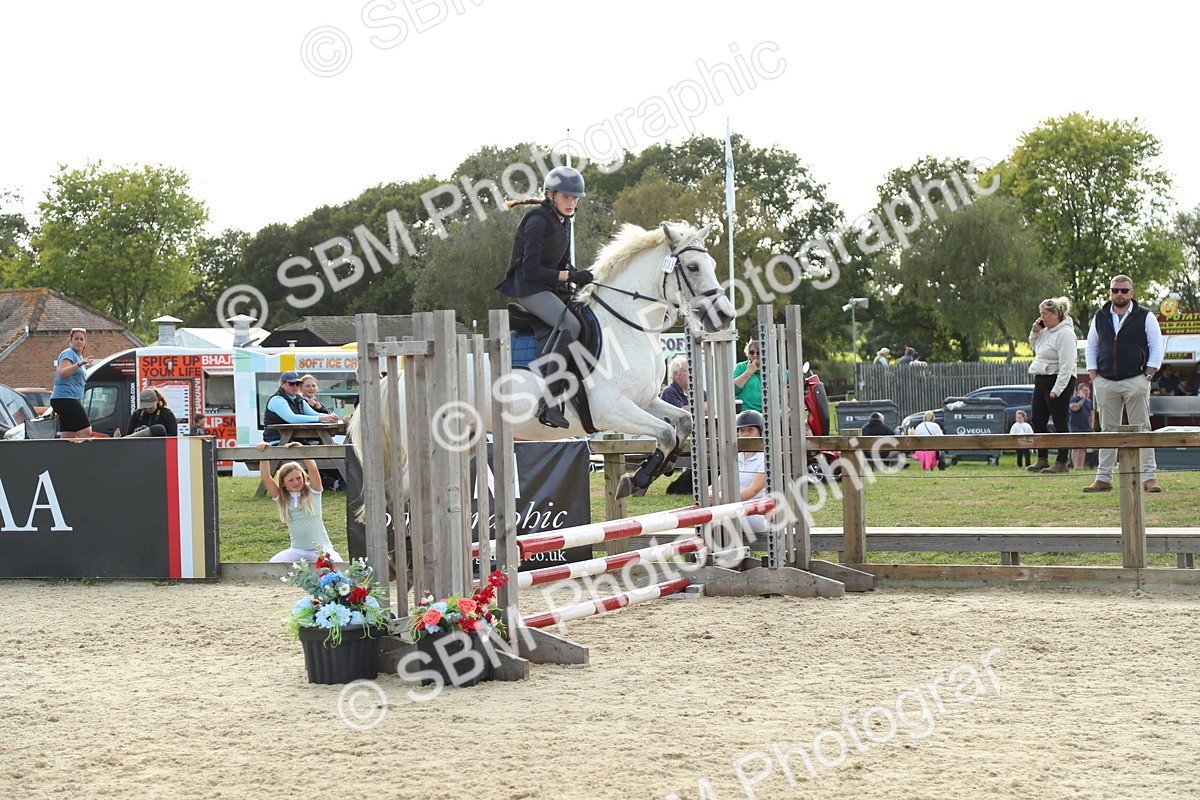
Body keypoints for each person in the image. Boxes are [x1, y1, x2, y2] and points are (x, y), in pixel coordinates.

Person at [496, 166, 593, 429]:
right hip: (529, 288)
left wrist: (580, 275)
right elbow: (531, 270)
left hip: (548, 287)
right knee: (570, 325)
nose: (572, 203)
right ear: (550, 195)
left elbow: (562, 264)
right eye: (566, 197)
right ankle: (548, 403)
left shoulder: (564, 222)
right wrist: (569, 276)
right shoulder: (537, 221)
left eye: (575, 198)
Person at [1083, 275, 1164, 493]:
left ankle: (1149, 477)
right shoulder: (1100, 316)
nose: (1119, 294)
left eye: (1124, 290)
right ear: (1110, 292)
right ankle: (1103, 478)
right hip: (1105, 381)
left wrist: (1148, 375)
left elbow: (1157, 346)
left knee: (1142, 428)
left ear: (1132, 292)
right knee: (1107, 430)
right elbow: (1092, 346)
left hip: (1136, 380)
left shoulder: (1145, 316)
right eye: (1115, 290)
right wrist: (1094, 376)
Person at [257, 441, 342, 563]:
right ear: (283, 483)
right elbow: (266, 478)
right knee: (272, 565)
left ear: (303, 477)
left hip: (321, 548)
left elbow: (313, 468)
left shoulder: (313, 491)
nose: (296, 482)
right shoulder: (282, 497)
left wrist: (302, 450)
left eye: (298, 478)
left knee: (337, 564)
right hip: (297, 550)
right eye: (290, 480)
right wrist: (264, 454)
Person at [1026, 297, 1077, 474]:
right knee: (1037, 420)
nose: (1042, 317)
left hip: (1058, 379)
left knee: (1060, 421)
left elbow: (1067, 366)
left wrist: (1057, 389)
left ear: (1056, 314)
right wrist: (1035, 332)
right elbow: (1037, 348)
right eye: (1041, 314)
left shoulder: (1066, 334)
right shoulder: (1045, 330)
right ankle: (1042, 458)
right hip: (1041, 378)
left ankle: (1062, 461)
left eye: (1045, 314)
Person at [263, 370, 339, 443]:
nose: (295, 386)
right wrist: (322, 418)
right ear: (282, 384)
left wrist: (330, 416)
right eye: (291, 384)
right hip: (278, 440)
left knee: (325, 447)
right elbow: (292, 418)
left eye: (298, 384)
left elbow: (312, 414)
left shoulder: (298, 398)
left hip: (296, 439)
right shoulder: (277, 399)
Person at [50, 327, 95, 439]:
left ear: (85, 342)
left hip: (65, 399)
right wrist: (79, 364)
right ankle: (81, 451)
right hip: (65, 398)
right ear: (70, 340)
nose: (79, 341)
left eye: (81, 339)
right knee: (85, 431)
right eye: (76, 339)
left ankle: (66, 451)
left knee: (69, 435)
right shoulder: (69, 353)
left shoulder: (79, 357)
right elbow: (62, 373)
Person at [1067, 383, 1095, 470]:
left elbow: (1092, 415)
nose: (1088, 392)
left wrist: (1091, 427)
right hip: (1076, 426)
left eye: (1088, 390)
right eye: (1085, 390)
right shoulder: (1074, 399)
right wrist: (1082, 400)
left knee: (1083, 447)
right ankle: (1075, 466)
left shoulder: (1089, 402)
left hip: (1086, 427)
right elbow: (1074, 408)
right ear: (1080, 391)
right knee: (1076, 447)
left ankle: (1081, 466)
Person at [733, 339, 763, 413]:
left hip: (770, 412)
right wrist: (748, 372)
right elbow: (733, 390)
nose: (755, 355)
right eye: (752, 352)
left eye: (758, 353)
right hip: (746, 412)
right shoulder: (741, 367)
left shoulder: (776, 368)